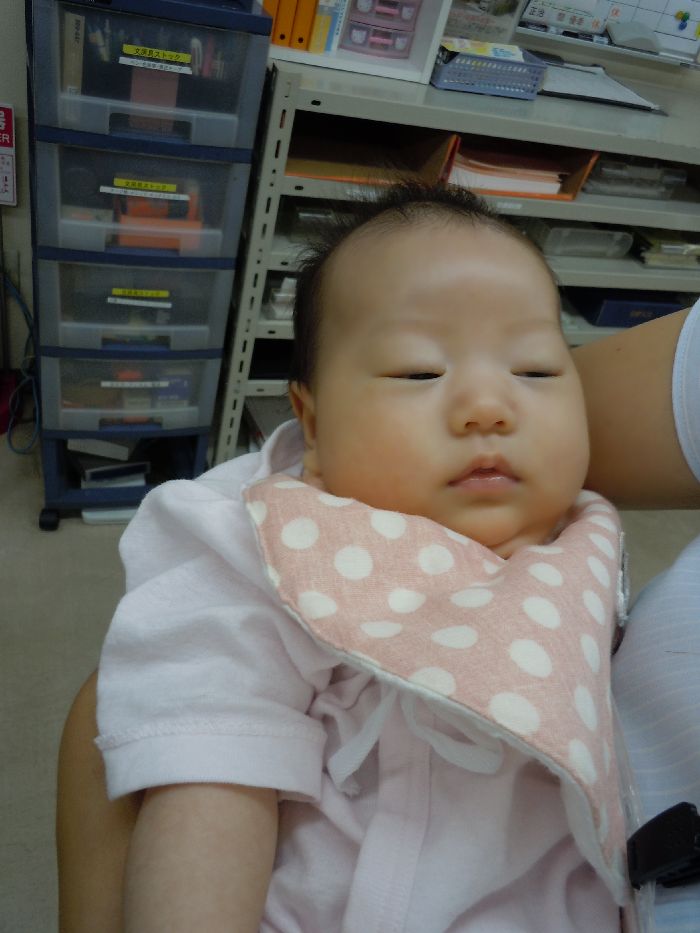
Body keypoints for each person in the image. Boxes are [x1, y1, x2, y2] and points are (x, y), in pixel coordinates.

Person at [55, 183, 700, 933]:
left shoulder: (580, 547)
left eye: (535, 370)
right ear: (313, 423)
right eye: (418, 372)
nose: (490, 406)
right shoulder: (280, 539)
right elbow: (213, 754)